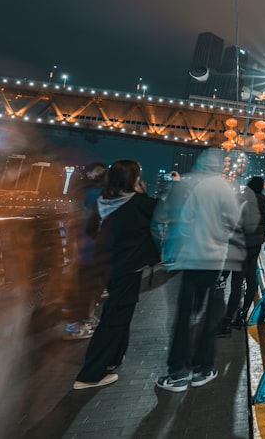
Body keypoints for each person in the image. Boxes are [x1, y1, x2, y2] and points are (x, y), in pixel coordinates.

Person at [152, 148, 242, 392]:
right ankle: (202, 369)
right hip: (215, 263)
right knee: (209, 317)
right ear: (220, 166)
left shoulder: (197, 188)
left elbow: (185, 220)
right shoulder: (225, 188)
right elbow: (234, 222)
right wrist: (220, 238)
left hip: (191, 261)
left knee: (183, 317)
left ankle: (177, 374)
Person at [73, 160, 160, 389]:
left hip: (105, 265)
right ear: (132, 179)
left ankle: (112, 360)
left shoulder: (103, 201)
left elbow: (92, 231)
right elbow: (165, 213)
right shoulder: (140, 203)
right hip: (128, 267)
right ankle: (89, 375)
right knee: (114, 317)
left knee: (121, 313)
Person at [64, 161, 107, 340]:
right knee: (86, 287)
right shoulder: (94, 195)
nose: (101, 176)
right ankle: (77, 324)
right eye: (98, 173)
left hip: (86, 247)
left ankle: (84, 319)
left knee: (88, 286)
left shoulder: (86, 193)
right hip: (89, 248)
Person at [225, 176, 265, 331]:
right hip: (256, 244)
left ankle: (227, 318)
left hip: (241, 244)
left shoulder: (241, 198)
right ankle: (243, 314)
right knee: (251, 279)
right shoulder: (264, 200)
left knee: (237, 282)